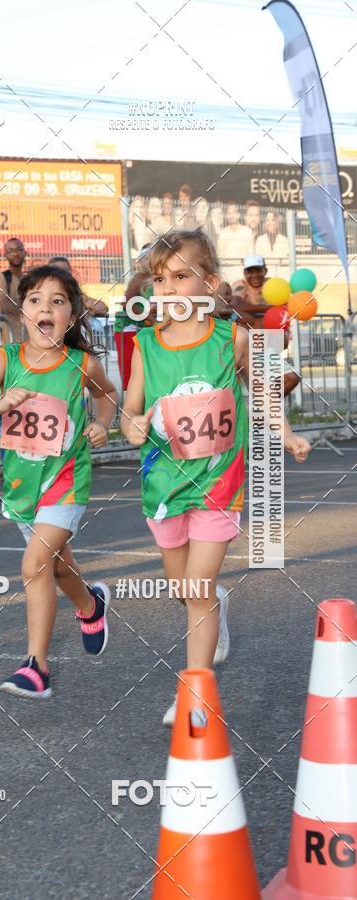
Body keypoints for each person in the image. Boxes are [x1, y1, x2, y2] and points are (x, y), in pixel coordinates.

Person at [121, 229, 310, 726]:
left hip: (219, 486)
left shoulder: (234, 338)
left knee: (198, 586)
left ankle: (195, 693)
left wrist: (287, 435)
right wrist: (133, 426)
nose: (167, 290)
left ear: (210, 283)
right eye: (159, 280)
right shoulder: (146, 345)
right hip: (164, 488)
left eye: (181, 277)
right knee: (184, 589)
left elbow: (265, 391)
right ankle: (217, 609)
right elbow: (130, 410)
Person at [0, 264, 117, 698]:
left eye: (57, 301)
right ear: (21, 311)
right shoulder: (5, 359)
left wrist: (103, 424)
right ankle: (90, 605)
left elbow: (106, 395)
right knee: (56, 564)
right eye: (35, 300)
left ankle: (36, 667)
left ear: (72, 315)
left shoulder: (80, 363)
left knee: (34, 565)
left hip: (66, 480)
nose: (45, 307)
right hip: (21, 484)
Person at [232, 254, 301, 396]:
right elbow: (236, 307)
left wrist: (254, 312)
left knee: (291, 378)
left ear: (265, 270)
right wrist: (271, 308)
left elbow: (284, 337)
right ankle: (263, 408)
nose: (254, 275)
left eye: (258, 270)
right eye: (250, 271)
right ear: (245, 273)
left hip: (265, 347)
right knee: (233, 391)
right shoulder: (240, 285)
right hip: (242, 350)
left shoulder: (274, 285)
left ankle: (266, 406)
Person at [114, 244, 154, 389]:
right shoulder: (140, 278)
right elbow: (128, 303)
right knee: (131, 374)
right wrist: (147, 317)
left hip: (147, 330)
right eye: (148, 259)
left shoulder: (159, 279)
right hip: (129, 330)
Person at [0, 237, 27, 342]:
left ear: (25, 252)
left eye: (19, 250)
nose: (15, 254)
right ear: (5, 255)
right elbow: (6, 307)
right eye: (10, 251)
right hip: (9, 340)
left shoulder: (30, 279)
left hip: (29, 340)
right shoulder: (1, 278)